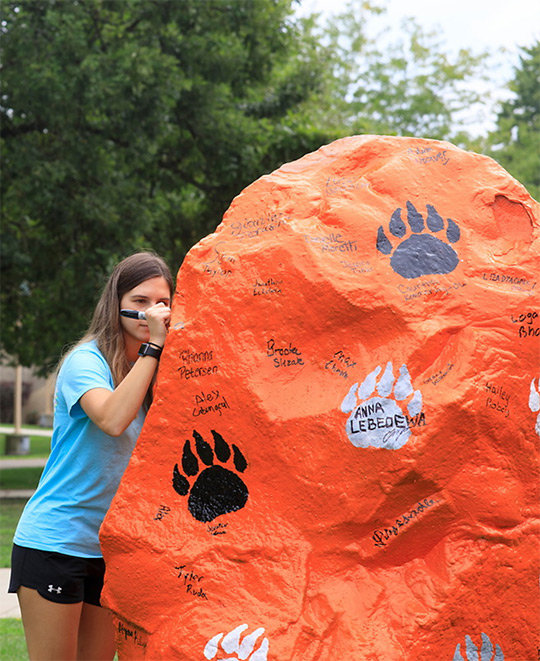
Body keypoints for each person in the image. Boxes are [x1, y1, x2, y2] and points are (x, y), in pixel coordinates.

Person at [9, 252, 174, 660]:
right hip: (55, 542)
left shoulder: (157, 369)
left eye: (161, 302)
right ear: (115, 301)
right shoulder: (86, 362)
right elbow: (113, 419)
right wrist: (155, 345)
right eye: (139, 301)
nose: (150, 312)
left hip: (110, 550)